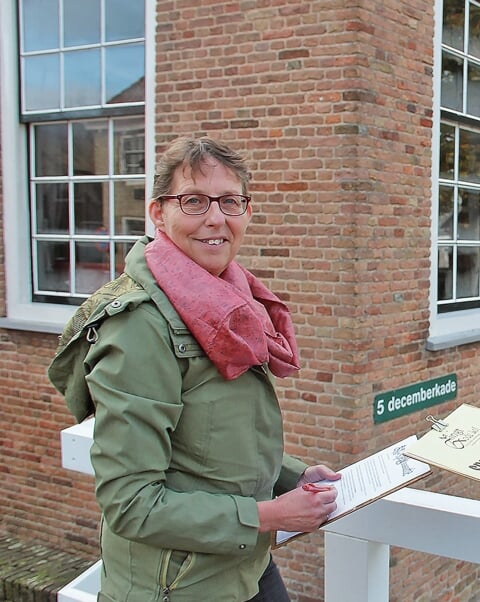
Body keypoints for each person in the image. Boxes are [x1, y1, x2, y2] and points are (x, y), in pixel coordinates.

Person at [48, 136, 341, 602]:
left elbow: (208, 441)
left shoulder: (232, 299)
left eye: (230, 201)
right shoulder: (141, 326)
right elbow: (130, 504)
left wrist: (292, 478)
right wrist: (271, 516)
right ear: (158, 213)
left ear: (247, 211)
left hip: (242, 563)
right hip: (177, 584)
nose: (215, 218)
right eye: (193, 201)